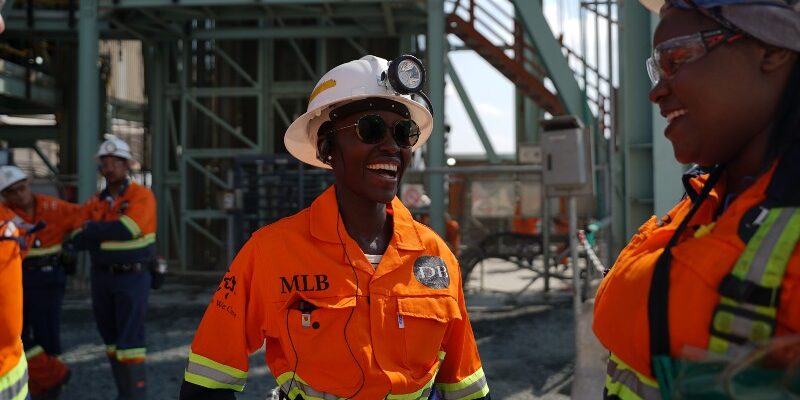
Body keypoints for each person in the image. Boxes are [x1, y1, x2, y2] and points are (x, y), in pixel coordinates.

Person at [179, 55, 490, 400]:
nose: (391, 146)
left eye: (404, 133)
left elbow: (467, 388)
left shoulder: (436, 257)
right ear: (327, 147)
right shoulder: (270, 252)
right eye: (370, 129)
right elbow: (205, 384)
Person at [593, 0, 800, 398]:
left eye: (676, 58)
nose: (655, 91)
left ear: (773, 49)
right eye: (655, 68)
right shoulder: (706, 202)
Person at [67, 134, 157, 400]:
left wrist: (92, 230)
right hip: (102, 278)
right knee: (111, 341)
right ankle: (124, 394)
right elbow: (75, 234)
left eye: (115, 162)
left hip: (132, 277)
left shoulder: (142, 196)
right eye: (105, 162)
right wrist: (92, 233)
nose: (109, 167)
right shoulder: (97, 201)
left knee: (130, 342)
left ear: (128, 165)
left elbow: (127, 229)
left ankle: (134, 397)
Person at [0, 166, 77, 398]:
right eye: (12, 191)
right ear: (5, 196)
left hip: (49, 280)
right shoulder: (4, 215)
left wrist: (72, 244)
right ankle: (53, 375)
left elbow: (79, 217)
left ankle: (51, 384)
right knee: (19, 336)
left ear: (29, 183)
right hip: (19, 281)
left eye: (22, 188)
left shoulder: (51, 206)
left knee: (48, 335)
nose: (20, 194)